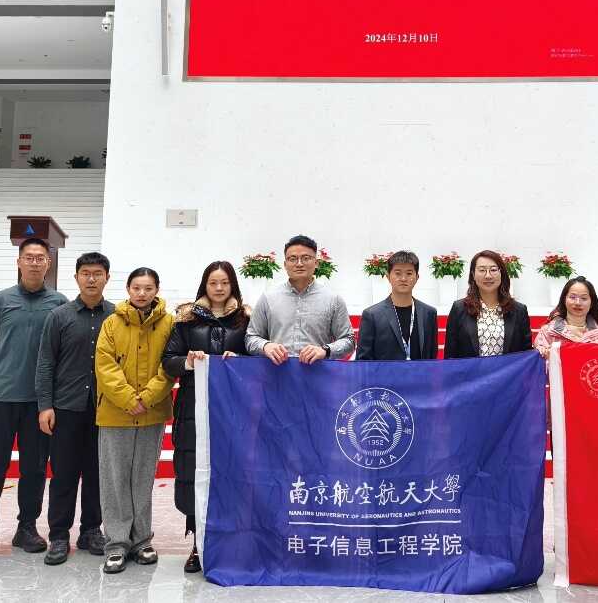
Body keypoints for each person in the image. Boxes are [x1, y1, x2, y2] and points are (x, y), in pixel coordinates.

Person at [0, 237, 67, 565]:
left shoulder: (59, 303)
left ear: (48, 263)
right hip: (0, 397)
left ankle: (27, 527)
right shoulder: (0, 300)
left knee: (35, 467)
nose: (34, 262)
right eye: (29, 257)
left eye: (40, 258)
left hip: (39, 401)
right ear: (19, 262)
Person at [162, 261, 250, 574]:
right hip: (192, 406)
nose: (219, 288)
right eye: (213, 282)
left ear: (232, 285)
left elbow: (257, 358)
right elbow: (168, 360)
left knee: (231, 472)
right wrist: (187, 361)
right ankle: (197, 544)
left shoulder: (245, 320)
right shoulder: (186, 321)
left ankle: (232, 542)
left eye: (224, 282)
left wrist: (239, 360)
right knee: (194, 471)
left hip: (233, 408)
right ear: (205, 285)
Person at [35, 252, 113, 565]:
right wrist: (45, 406)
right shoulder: (59, 316)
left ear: (107, 277)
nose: (91, 279)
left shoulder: (116, 316)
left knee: (97, 473)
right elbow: (45, 362)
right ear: (77, 277)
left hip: (104, 409)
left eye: (97, 273)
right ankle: (58, 535)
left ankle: (91, 530)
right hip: (66, 408)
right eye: (85, 273)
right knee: (64, 474)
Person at [95, 267, 174, 574]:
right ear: (128, 289)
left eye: (148, 288)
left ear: (157, 290)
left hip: (152, 413)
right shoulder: (112, 323)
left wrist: (148, 397)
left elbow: (169, 365)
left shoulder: (169, 323)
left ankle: (141, 540)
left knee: (142, 478)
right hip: (116, 413)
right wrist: (130, 399)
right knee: (114, 480)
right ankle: (116, 543)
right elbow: (105, 366)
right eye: (137, 288)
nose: (142, 293)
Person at [245, 235, 354, 364]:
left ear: (316, 263)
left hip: (317, 372)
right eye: (293, 259)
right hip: (277, 372)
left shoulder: (333, 299)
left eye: (306, 258)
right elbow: (250, 338)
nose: (299, 264)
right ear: (285, 265)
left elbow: (349, 340)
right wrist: (265, 346)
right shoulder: (268, 297)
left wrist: (325, 350)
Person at [444, 250, 532, 358]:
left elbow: (527, 355)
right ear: (473, 274)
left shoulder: (519, 310)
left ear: (501, 273)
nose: (488, 276)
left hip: (508, 370)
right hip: (471, 370)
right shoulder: (459, 308)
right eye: (482, 270)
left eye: (493, 270)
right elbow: (450, 355)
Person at [356, 251, 438, 360]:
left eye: (409, 273)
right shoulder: (372, 315)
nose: (403, 278)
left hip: (420, 372)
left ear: (417, 277)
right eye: (398, 273)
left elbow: (432, 356)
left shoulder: (429, 313)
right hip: (385, 372)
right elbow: (363, 360)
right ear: (388, 277)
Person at [535, 276, 598, 358]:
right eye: (572, 297)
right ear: (564, 300)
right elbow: (538, 361)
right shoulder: (548, 332)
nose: (578, 303)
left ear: (591, 303)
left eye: (584, 298)